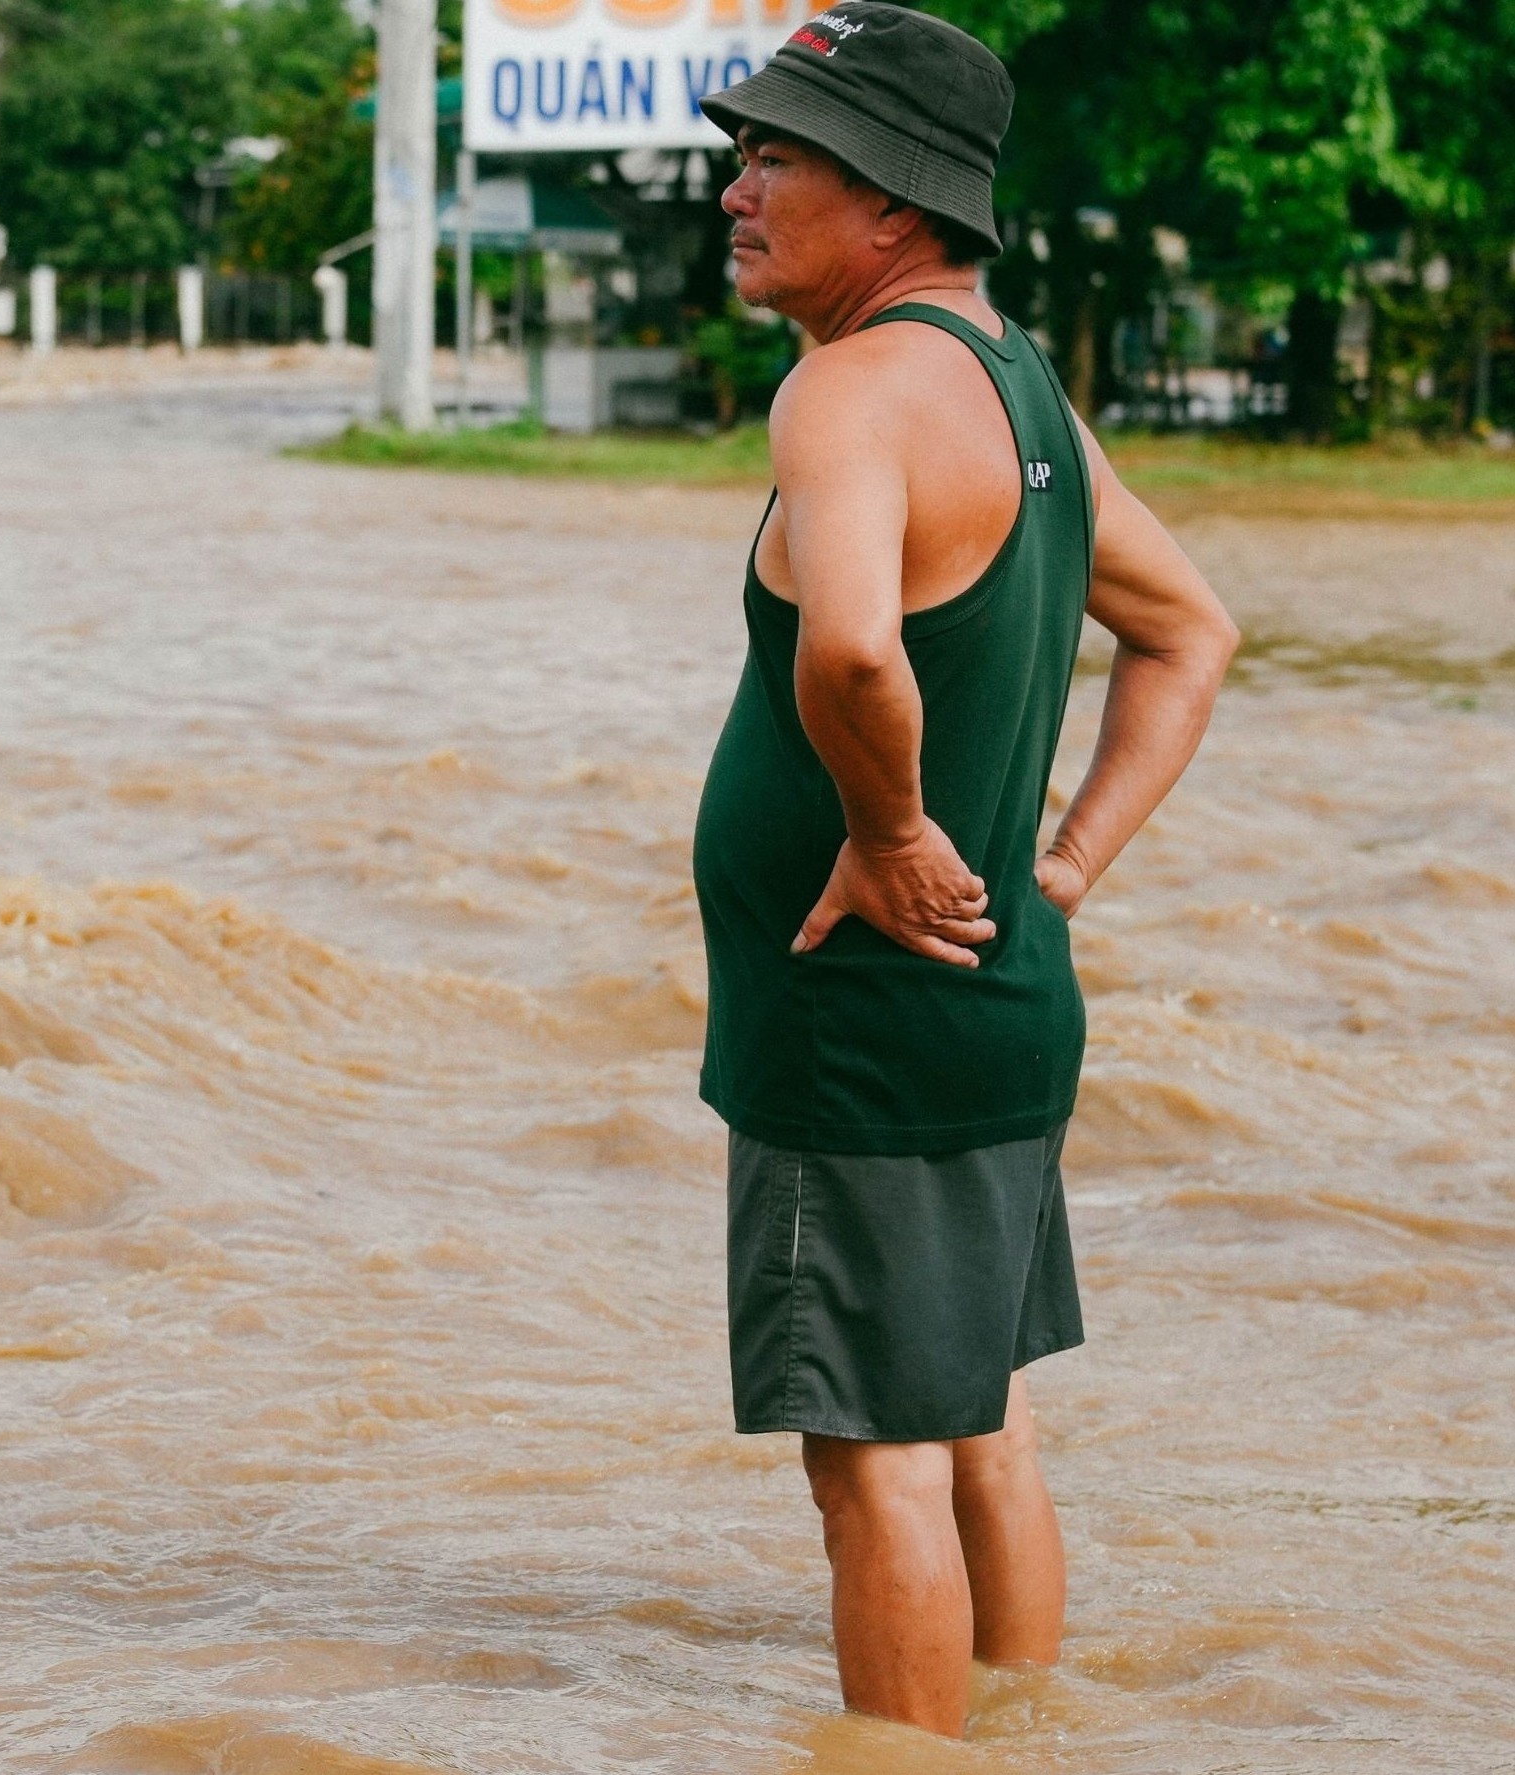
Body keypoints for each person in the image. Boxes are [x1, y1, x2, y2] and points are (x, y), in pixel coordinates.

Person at [687, 3, 1239, 1739]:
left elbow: (850, 655)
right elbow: (1189, 631)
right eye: (744, 153)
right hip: (997, 1004)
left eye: (781, 159)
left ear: (898, 207)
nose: (739, 189)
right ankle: (1023, 1733)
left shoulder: (847, 391)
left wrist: (888, 832)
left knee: (874, 1476)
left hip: (857, 1021)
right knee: (981, 1422)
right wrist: (1060, 864)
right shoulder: (1016, 390)